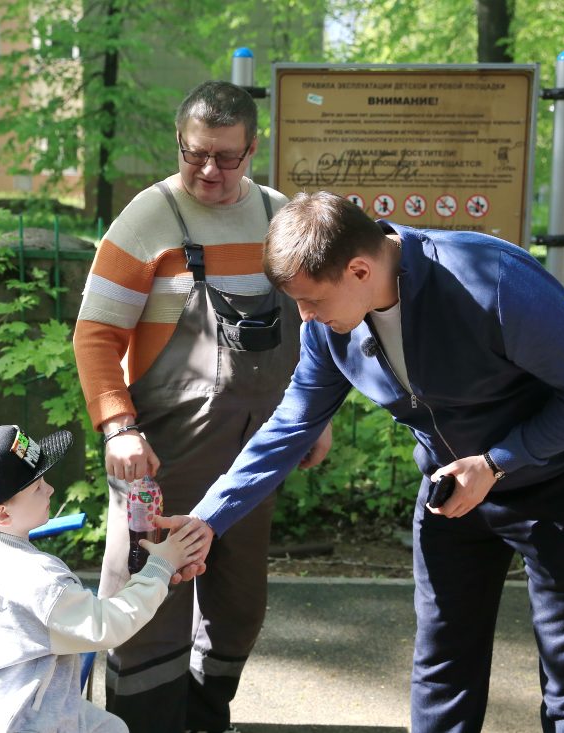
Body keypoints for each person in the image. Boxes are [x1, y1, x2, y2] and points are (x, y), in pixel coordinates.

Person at [185, 191, 564, 732]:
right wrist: (208, 520)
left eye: (311, 301)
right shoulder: (329, 327)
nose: (305, 317)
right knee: (443, 659)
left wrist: (497, 462)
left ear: (358, 270)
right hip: (453, 491)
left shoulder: (489, 279)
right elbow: (292, 425)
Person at [72, 81, 332, 733]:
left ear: (252, 149)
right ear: (180, 144)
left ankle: (205, 718)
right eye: (195, 154)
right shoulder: (147, 218)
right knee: (148, 605)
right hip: (161, 456)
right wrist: (118, 426)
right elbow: (95, 334)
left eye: (226, 156)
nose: (209, 170)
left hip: (255, 455)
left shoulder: (279, 216)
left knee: (238, 605)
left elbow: (315, 322)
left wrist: (317, 417)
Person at [0, 424, 206, 733]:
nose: (50, 489)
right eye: (37, 487)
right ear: (3, 515)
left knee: (112, 727)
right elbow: (107, 625)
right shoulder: (40, 580)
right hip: (12, 723)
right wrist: (161, 565)